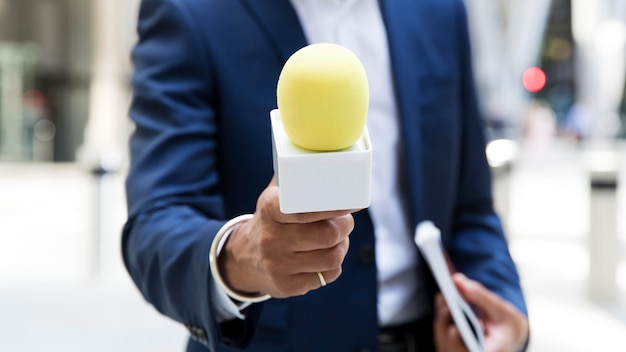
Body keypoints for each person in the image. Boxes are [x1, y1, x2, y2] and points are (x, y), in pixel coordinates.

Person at [122, 0, 530, 351]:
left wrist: (499, 312)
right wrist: (242, 257)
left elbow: (471, 207)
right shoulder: (190, 10)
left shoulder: (439, 9)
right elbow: (155, 223)